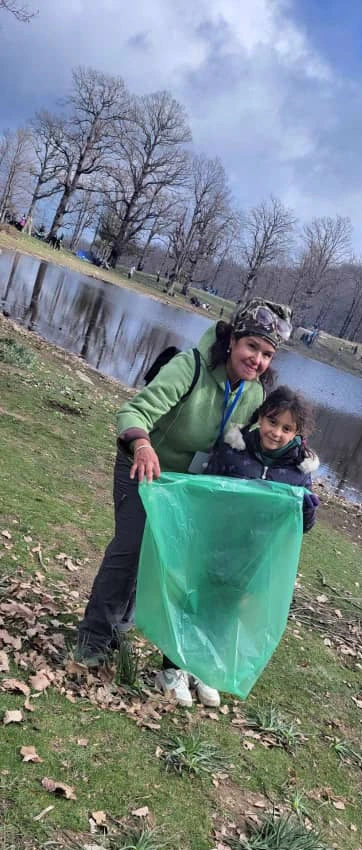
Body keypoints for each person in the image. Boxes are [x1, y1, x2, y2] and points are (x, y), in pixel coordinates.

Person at [76, 298, 293, 708]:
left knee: (162, 562)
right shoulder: (189, 367)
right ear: (232, 340)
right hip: (146, 469)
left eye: (267, 354)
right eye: (252, 347)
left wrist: (291, 479)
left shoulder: (254, 394)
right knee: (130, 550)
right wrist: (141, 444)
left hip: (188, 491)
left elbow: (258, 445)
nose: (257, 360)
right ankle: (93, 638)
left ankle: (119, 629)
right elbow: (134, 410)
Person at [206, 386, 319, 532]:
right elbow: (204, 495)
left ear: (295, 433)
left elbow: (304, 528)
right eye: (272, 422)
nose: (276, 433)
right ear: (261, 418)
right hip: (219, 535)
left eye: (286, 429)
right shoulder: (231, 452)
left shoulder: (300, 472)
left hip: (260, 550)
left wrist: (307, 510)